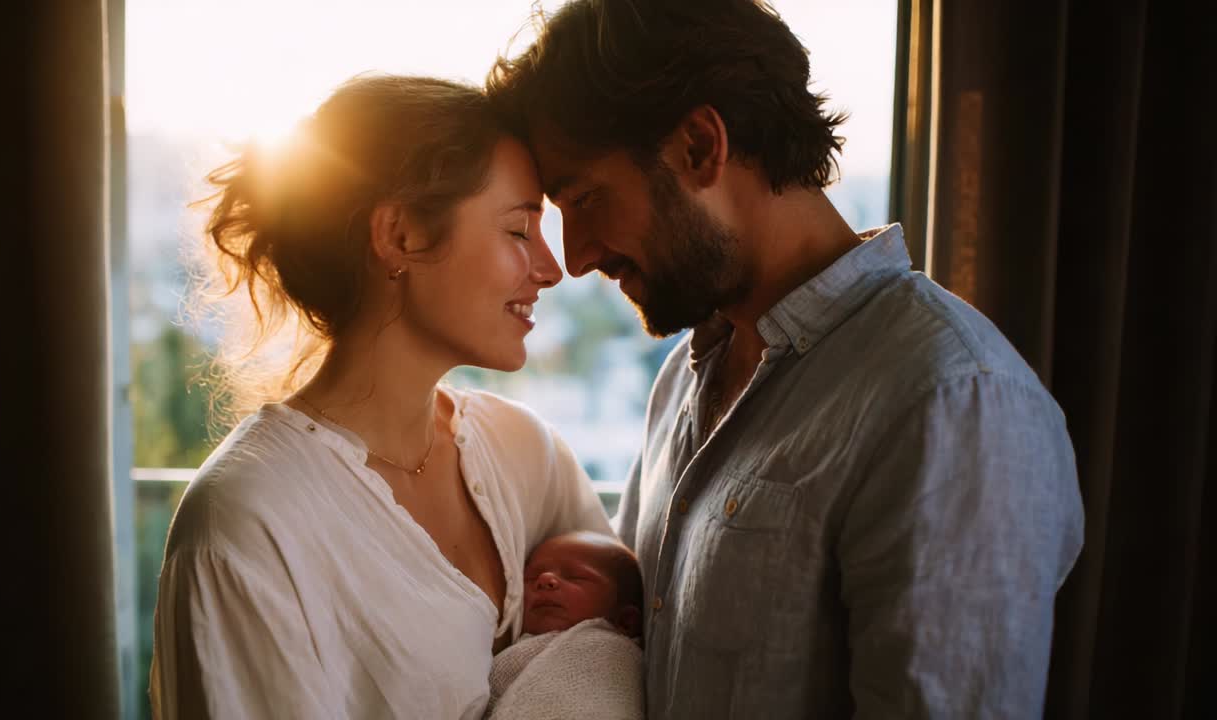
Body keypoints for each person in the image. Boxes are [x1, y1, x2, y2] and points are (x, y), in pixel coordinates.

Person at [487, 1, 1086, 717]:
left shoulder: (954, 400)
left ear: (701, 145)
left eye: (586, 197)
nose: (577, 257)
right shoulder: (683, 379)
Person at [148, 75, 613, 719]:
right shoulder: (247, 524)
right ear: (398, 236)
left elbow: (621, 653)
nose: (551, 267)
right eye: (518, 230)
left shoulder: (526, 454)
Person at [486, 531, 644, 720]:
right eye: (531, 577)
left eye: (575, 577)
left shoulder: (615, 654)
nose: (544, 579)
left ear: (625, 621)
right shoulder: (508, 651)